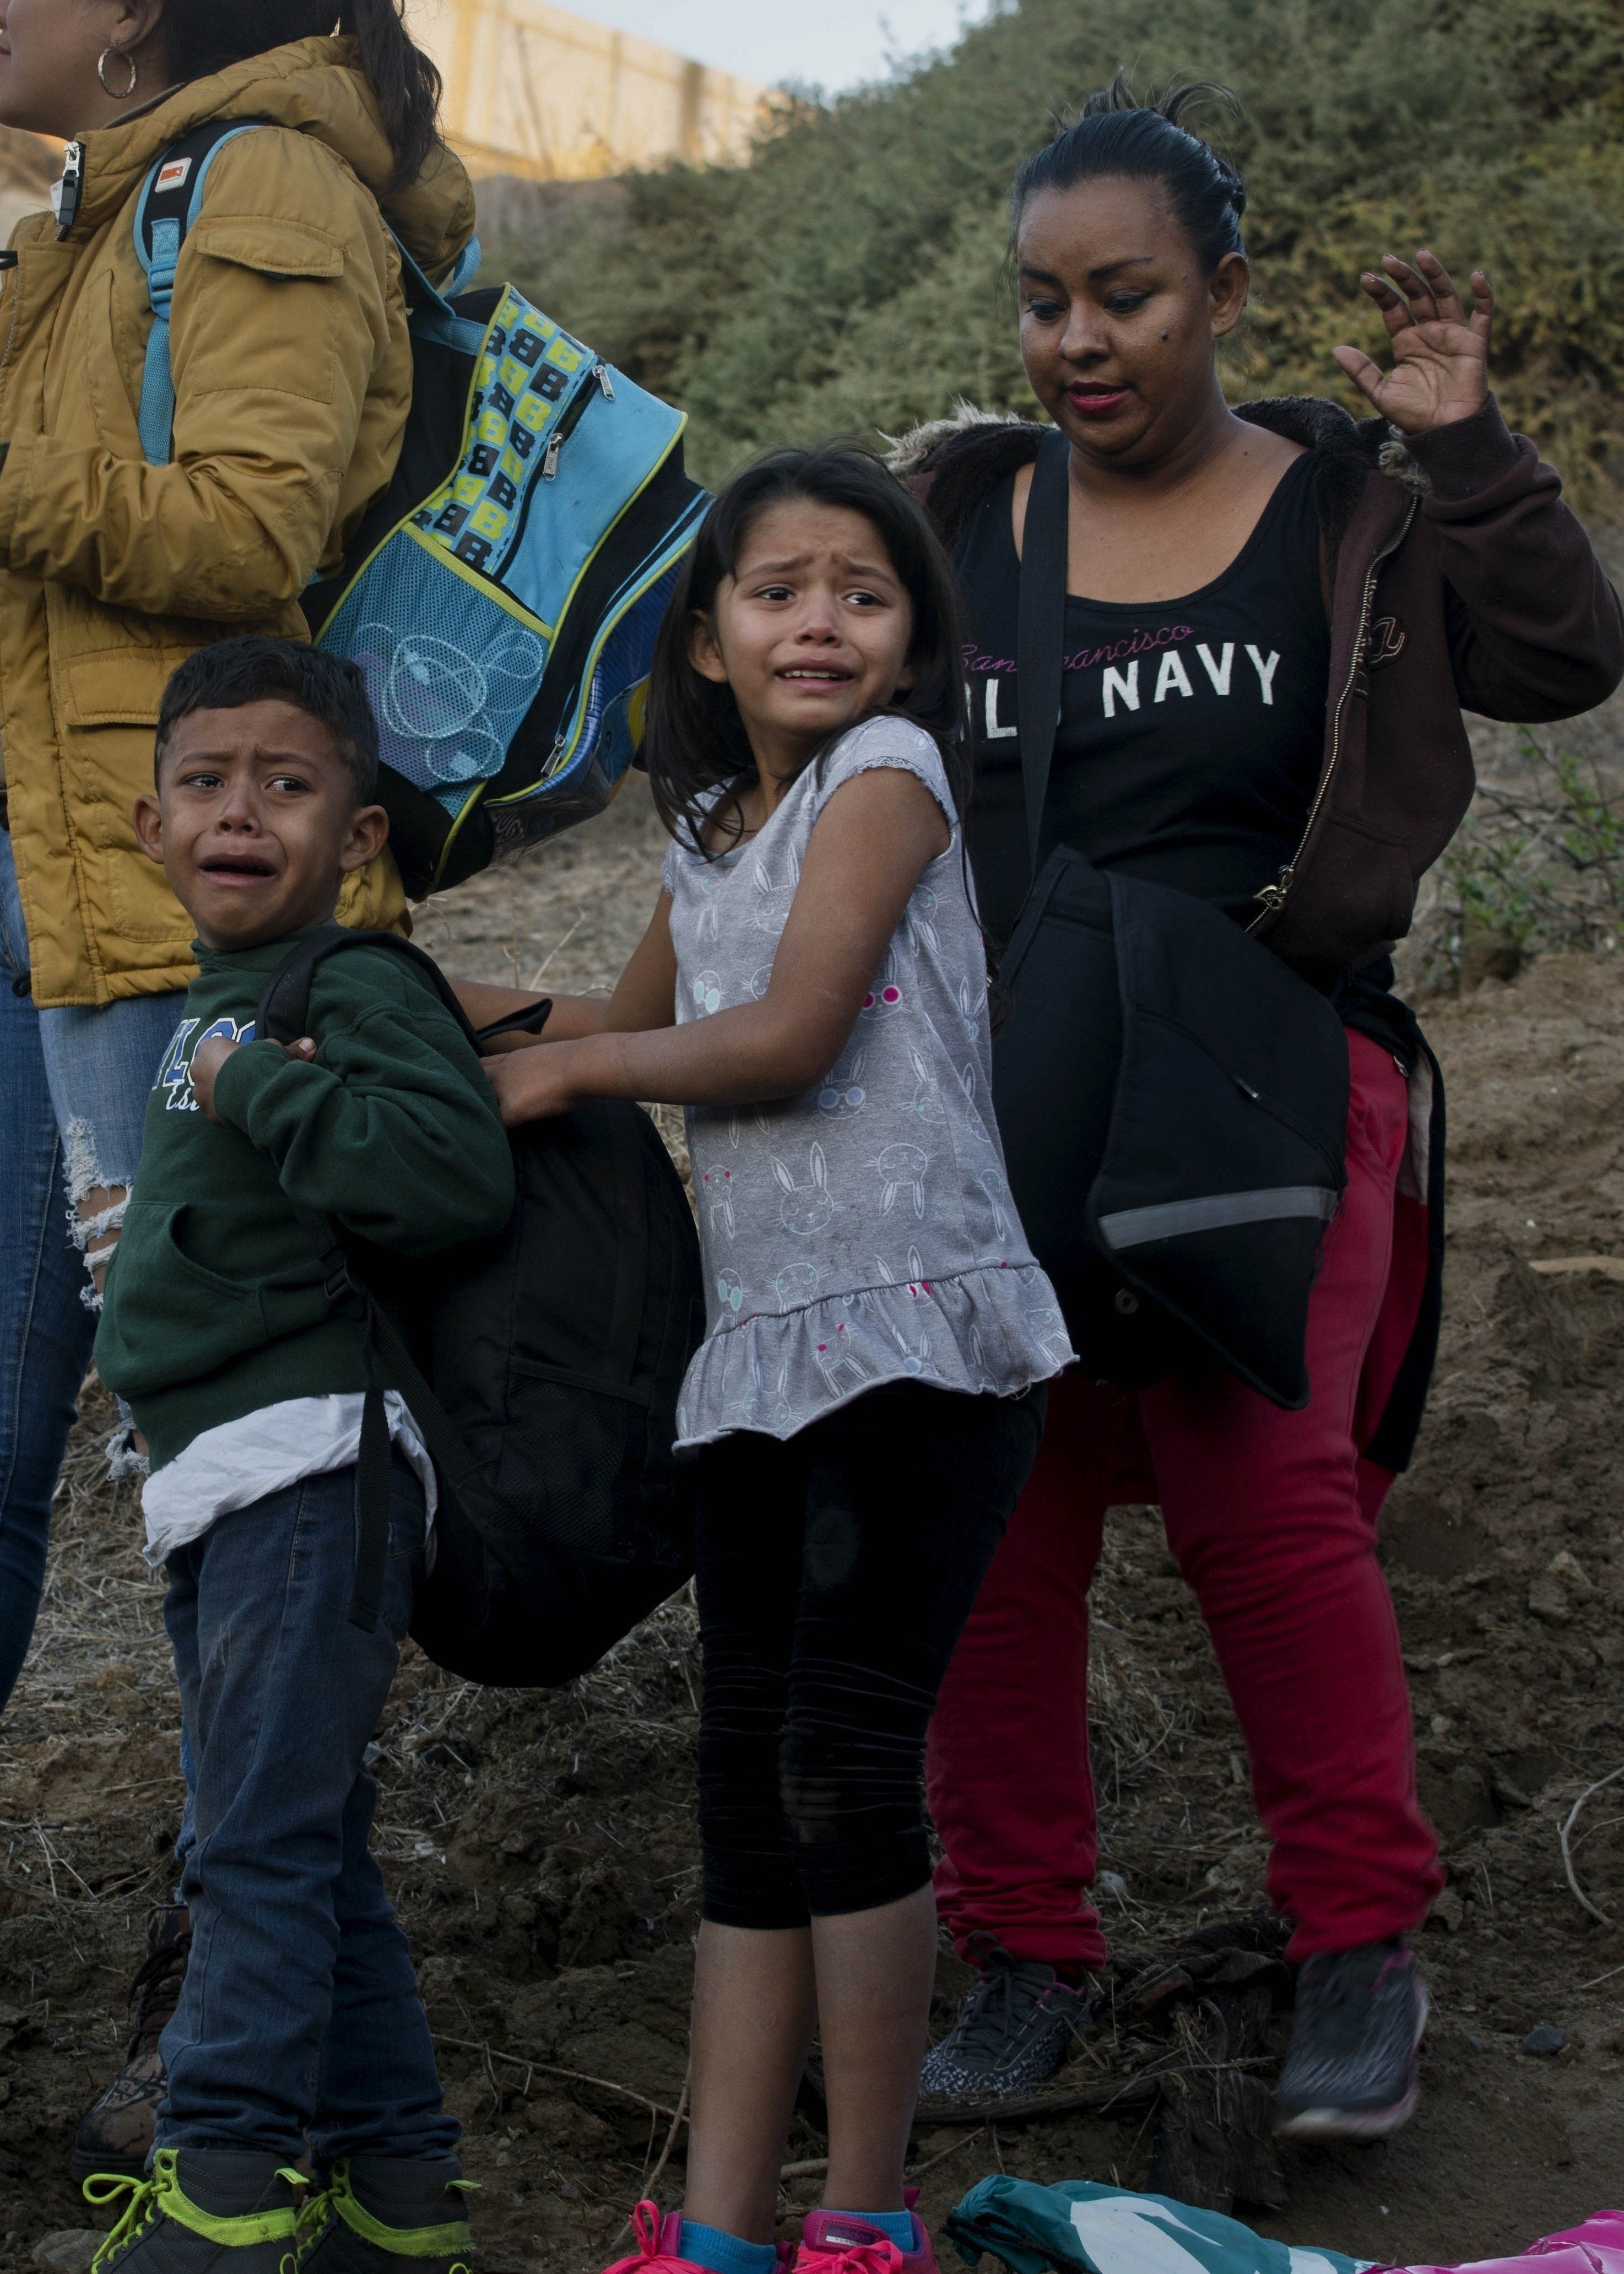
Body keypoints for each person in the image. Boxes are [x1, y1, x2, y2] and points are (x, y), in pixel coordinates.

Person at [0, 0, 477, 2156]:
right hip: (20, 890)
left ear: (135, 12)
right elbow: (111, 504)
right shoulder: (100, 210)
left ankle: (239, 1948)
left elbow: (248, 531)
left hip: (175, 911)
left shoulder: (259, 186)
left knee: (209, 1449)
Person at [897, 78, 1624, 2138]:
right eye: (1046, 301)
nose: (1081, 341)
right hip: (1007, 1093)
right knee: (1001, 1530)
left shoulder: (1351, 513)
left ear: (1224, 293)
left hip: (1273, 1072)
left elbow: (1568, 659)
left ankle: (1356, 1952)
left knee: (1265, 1503)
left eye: (1126, 294)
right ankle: (1025, 1957)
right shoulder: (958, 517)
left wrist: (1466, 441)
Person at [456, 449, 1071, 2274]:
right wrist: (401, 995)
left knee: (846, 1757)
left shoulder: (886, 781)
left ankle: (868, 2214)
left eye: (863, 593)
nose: (821, 617)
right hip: (759, 1364)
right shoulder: (712, 828)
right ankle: (720, 2227)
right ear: (708, 639)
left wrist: (558, 1077)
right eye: (779, 588)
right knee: (745, 1779)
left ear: (904, 642)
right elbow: (623, 1015)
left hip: (917, 1334)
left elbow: (790, 1034)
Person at [77, 636, 511, 2273]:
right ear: (147, 824)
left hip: (308, 1463)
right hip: (224, 1480)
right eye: (204, 781)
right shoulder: (217, 1000)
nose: (238, 811)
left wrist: (259, 1080)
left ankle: (226, 2188)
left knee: (248, 1843)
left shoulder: (347, 985)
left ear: (359, 835)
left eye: (286, 782)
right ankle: (400, 2205)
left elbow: (446, 1169)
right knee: (302, 1841)